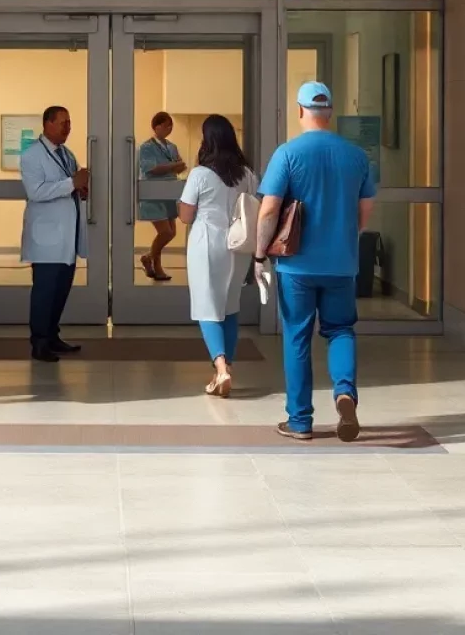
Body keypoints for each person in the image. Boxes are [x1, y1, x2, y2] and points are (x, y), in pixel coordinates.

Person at [254, 81, 376, 443]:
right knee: (341, 330)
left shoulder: (287, 154)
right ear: (330, 111)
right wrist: (343, 239)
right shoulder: (357, 156)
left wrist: (259, 255)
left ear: (300, 111)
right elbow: (364, 212)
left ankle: (300, 421)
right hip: (342, 263)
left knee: (297, 337)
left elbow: (269, 211)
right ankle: (344, 393)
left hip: (296, 266)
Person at [178, 114, 259, 398]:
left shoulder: (200, 174)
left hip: (207, 245)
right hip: (238, 246)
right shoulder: (247, 174)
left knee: (207, 307)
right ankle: (224, 372)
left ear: (207, 140)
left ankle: (221, 368)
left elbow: (186, 215)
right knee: (230, 307)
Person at [20, 105, 88, 362]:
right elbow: (36, 192)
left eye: (69, 123)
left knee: (61, 289)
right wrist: (72, 183)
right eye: (63, 123)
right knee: (45, 291)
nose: (68, 128)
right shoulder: (32, 155)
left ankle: (52, 336)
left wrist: (81, 188)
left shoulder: (67, 154)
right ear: (47, 124)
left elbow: (73, 183)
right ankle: (39, 342)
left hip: (66, 235)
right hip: (46, 237)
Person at [137, 111, 187, 281]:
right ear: (156, 127)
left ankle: (148, 258)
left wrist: (176, 166)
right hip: (153, 193)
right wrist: (172, 166)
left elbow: (180, 166)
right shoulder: (146, 148)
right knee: (164, 232)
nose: (169, 128)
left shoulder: (172, 146)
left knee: (172, 232)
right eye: (166, 125)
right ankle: (156, 266)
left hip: (169, 193)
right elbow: (150, 169)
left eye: (171, 126)